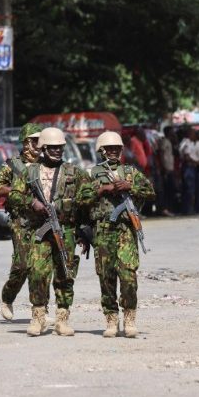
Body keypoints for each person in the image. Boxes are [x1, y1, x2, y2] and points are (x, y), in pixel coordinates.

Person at [8, 127, 88, 337]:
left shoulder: (73, 172)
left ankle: (62, 318)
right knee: (37, 273)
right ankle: (38, 318)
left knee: (65, 275)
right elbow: (14, 195)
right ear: (43, 148)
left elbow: (87, 200)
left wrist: (85, 231)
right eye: (52, 148)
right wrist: (31, 202)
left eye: (59, 148)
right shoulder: (30, 172)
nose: (56, 151)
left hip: (66, 231)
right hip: (39, 231)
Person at [78, 131, 154, 338]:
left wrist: (132, 186)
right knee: (106, 276)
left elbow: (150, 191)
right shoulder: (92, 174)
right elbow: (81, 198)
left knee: (128, 275)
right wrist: (103, 189)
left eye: (116, 149)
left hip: (126, 230)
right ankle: (111, 319)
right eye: (109, 149)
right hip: (102, 230)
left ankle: (130, 319)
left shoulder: (130, 172)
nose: (113, 152)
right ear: (101, 151)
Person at [0, 123, 43, 321]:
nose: (38, 145)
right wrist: (18, 189)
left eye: (40, 141)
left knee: (40, 265)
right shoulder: (12, 165)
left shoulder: (46, 164)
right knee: (22, 265)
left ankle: (39, 309)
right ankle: (7, 298)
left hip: (42, 220)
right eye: (35, 141)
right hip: (20, 220)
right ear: (25, 143)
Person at [179, 128, 199, 215]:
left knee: (190, 189)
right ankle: (188, 209)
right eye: (194, 133)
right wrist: (197, 162)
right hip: (188, 168)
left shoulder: (190, 143)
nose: (195, 135)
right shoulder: (186, 143)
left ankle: (188, 208)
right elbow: (187, 157)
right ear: (189, 134)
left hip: (191, 168)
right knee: (189, 189)